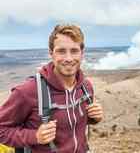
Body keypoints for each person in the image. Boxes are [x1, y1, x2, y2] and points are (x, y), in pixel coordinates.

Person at [0, 24, 103, 153]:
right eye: (61, 51)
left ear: (82, 53)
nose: (68, 58)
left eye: (74, 51)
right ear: (51, 53)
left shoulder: (86, 87)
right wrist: (35, 136)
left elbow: (71, 124)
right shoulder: (27, 91)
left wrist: (93, 119)